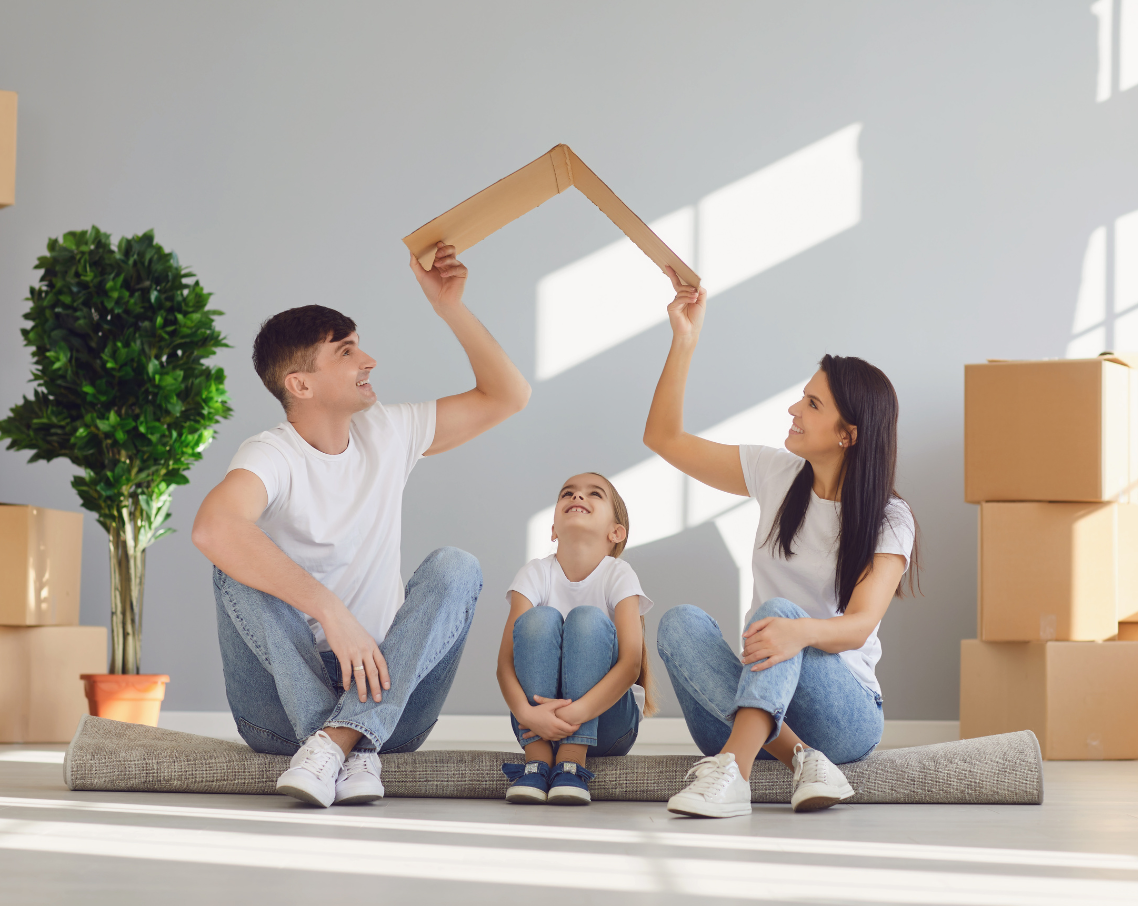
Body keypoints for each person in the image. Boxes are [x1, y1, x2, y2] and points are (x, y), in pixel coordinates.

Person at [192, 243, 531, 808]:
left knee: (457, 566)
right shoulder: (271, 454)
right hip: (278, 709)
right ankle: (348, 742)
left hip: (387, 692)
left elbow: (508, 395)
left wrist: (450, 307)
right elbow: (213, 529)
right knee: (232, 570)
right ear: (300, 384)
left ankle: (338, 742)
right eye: (347, 351)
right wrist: (331, 611)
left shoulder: (388, 432)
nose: (368, 359)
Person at [644, 267, 918, 818]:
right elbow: (663, 438)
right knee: (678, 624)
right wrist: (684, 339)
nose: (795, 409)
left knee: (774, 614)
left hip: (842, 712)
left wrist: (795, 631)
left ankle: (733, 773)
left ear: (849, 434)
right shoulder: (775, 473)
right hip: (758, 697)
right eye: (803, 398)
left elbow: (859, 626)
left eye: (813, 405)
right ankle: (796, 760)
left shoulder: (890, 518)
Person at [496, 473, 655, 805]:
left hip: (608, 724)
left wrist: (577, 713)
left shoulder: (618, 574)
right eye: (568, 493)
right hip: (535, 724)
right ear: (553, 529)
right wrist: (528, 715)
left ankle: (572, 760)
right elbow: (505, 665)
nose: (577, 497)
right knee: (538, 619)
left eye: (593, 494)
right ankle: (536, 763)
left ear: (616, 532)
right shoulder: (535, 573)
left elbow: (630, 665)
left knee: (587, 618)